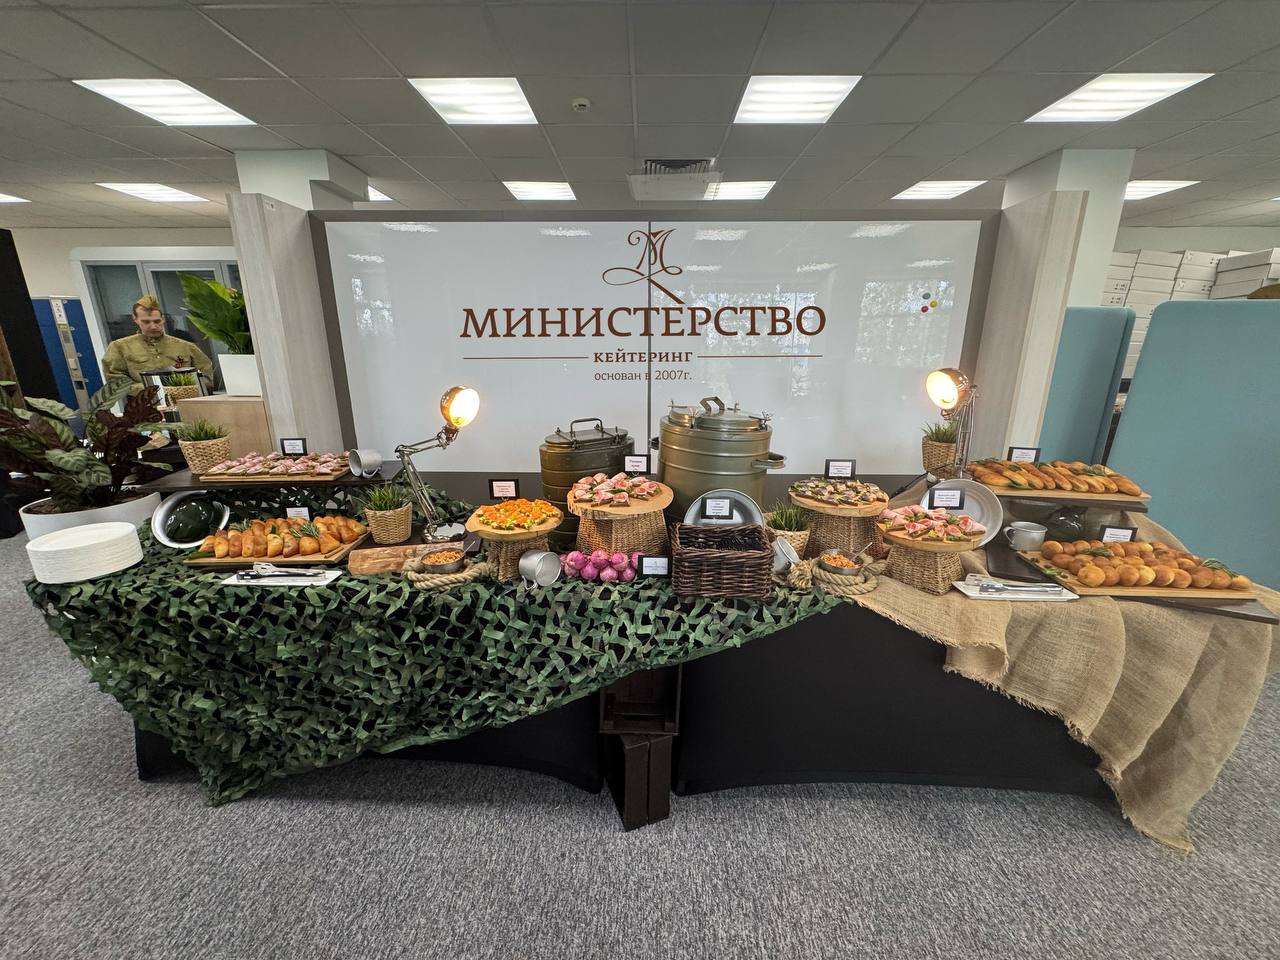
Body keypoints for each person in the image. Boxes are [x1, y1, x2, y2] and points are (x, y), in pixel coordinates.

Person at [101, 294, 213, 393]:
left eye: (157, 321)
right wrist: (149, 389)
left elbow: (206, 376)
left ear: (163, 319)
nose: (153, 326)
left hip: (185, 400)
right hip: (143, 404)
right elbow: (115, 381)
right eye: (146, 322)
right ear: (135, 319)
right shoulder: (120, 347)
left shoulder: (186, 347)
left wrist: (184, 387)